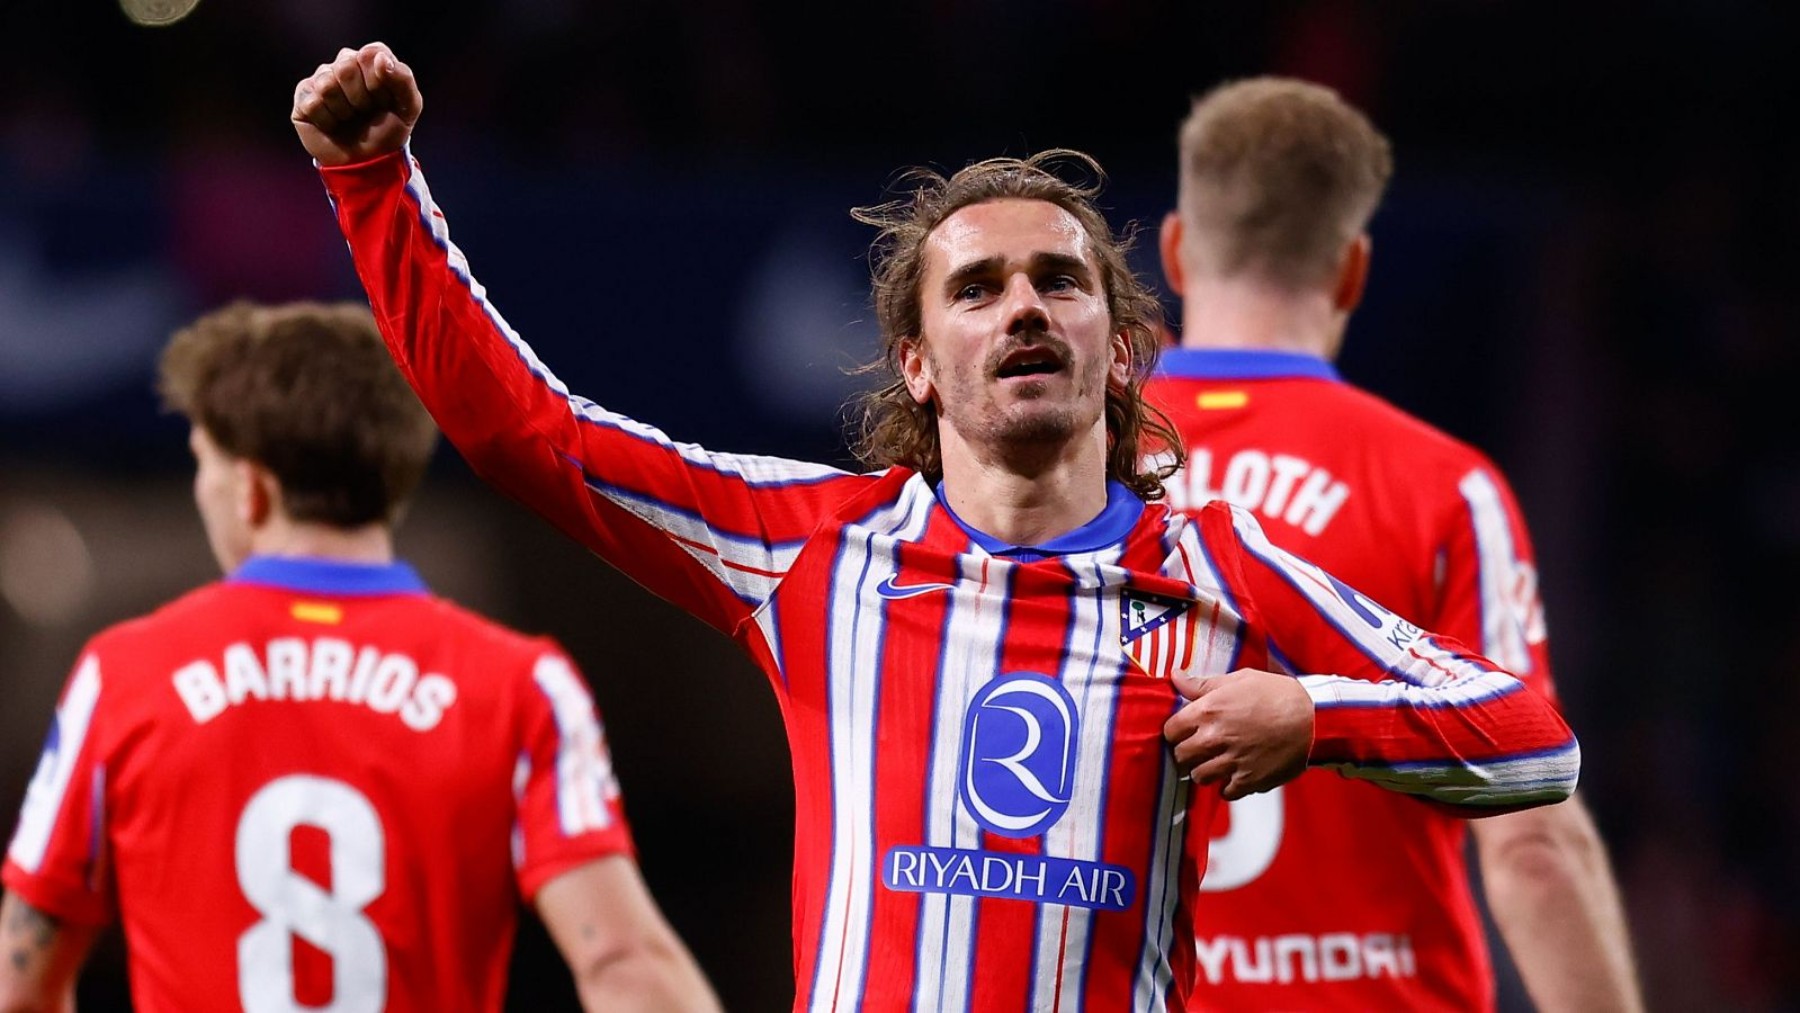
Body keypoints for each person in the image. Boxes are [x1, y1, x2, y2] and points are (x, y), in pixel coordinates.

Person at [290, 42, 1581, 1011]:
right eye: (978, 287)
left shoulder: (1216, 567)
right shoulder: (811, 550)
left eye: (1059, 281)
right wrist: (374, 187)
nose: (1023, 306)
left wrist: (1318, 722)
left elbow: (1536, 747)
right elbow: (530, 434)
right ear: (915, 362)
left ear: (1124, 352)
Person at [0, 301, 721, 1013]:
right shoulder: (519, 685)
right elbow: (621, 961)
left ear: (252, 488)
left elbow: (20, 983)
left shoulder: (123, 675)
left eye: (203, 463)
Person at [1148, 77, 1641, 1012]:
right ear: (1353, 271)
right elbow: (1533, 842)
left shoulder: (1055, 482)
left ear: (1174, 250)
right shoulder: (1443, 487)